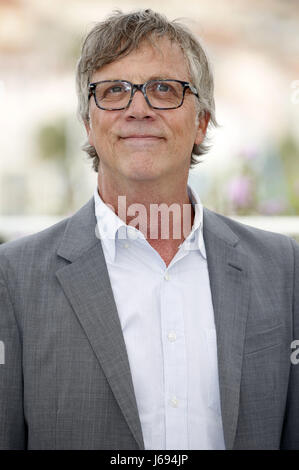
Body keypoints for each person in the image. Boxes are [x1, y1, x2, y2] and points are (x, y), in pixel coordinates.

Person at [0, 9, 298, 450]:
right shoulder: (13, 278)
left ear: (201, 122)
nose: (138, 108)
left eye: (164, 89)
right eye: (114, 90)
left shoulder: (283, 268)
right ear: (88, 122)